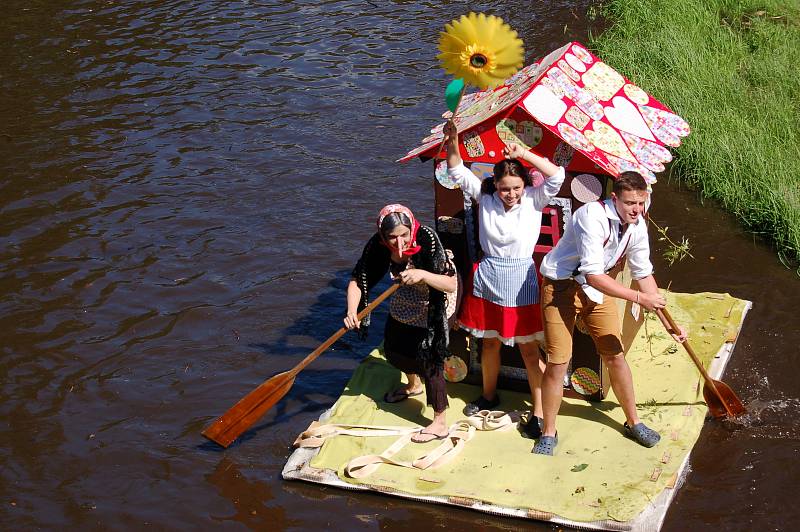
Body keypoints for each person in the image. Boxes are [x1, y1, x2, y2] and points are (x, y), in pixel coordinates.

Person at [533, 171, 687, 455]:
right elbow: (593, 274)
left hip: (597, 291)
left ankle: (634, 421)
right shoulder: (592, 217)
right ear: (614, 198)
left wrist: (668, 322)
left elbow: (644, 273)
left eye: (641, 203)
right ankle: (549, 431)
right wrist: (640, 298)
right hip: (561, 288)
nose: (636, 210)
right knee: (558, 360)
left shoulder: (637, 225)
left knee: (615, 354)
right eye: (630, 203)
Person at [444, 120, 565, 438]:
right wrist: (453, 139)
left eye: (516, 188)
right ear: (494, 186)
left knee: (528, 350)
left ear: (524, 185)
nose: (511, 194)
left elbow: (558, 176)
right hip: (488, 275)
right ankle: (488, 395)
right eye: (504, 188)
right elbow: (456, 170)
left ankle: (539, 412)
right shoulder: (485, 199)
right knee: (489, 342)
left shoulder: (534, 201)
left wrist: (523, 152)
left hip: (522, 278)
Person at [344, 204, 458, 443]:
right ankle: (413, 385)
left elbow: (450, 285)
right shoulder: (378, 245)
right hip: (407, 293)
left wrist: (423, 274)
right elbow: (358, 279)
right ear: (384, 236)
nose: (399, 243)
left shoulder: (427, 239)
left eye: (404, 235)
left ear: (411, 229)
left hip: (436, 295)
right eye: (392, 238)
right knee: (395, 347)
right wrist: (353, 310)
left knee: (429, 355)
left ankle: (439, 422)